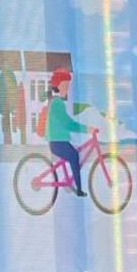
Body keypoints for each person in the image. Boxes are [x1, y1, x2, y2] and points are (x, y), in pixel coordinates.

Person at [45, 65, 87, 195]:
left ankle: (71, 182)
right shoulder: (57, 103)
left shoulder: (56, 102)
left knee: (74, 151)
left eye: (68, 86)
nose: (67, 89)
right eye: (65, 86)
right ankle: (78, 190)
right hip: (58, 142)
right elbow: (67, 123)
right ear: (58, 85)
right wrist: (87, 129)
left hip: (60, 140)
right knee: (74, 156)